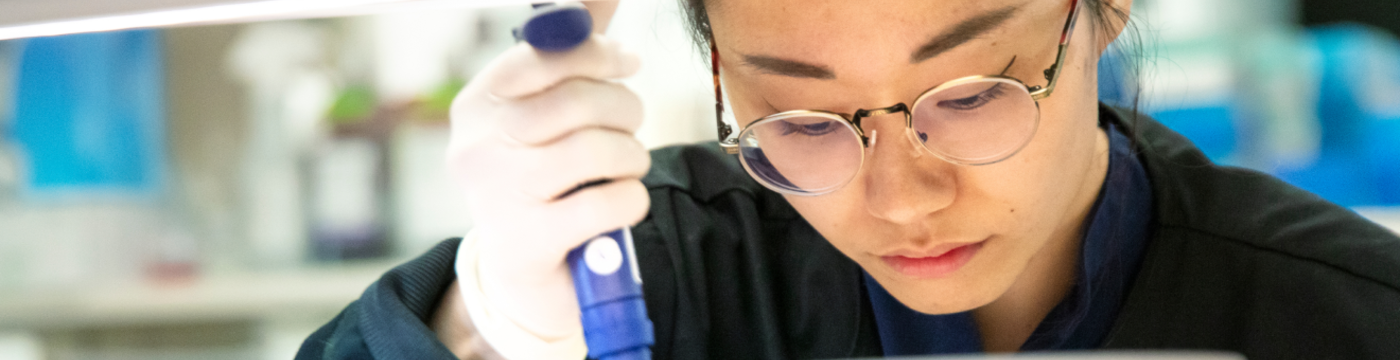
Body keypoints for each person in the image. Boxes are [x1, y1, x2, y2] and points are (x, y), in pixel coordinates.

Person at [296, 0, 1400, 359]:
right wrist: (486, 326)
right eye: (800, 118)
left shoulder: (1344, 315)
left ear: (1101, 13)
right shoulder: (647, 270)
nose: (900, 199)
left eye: (970, 96)